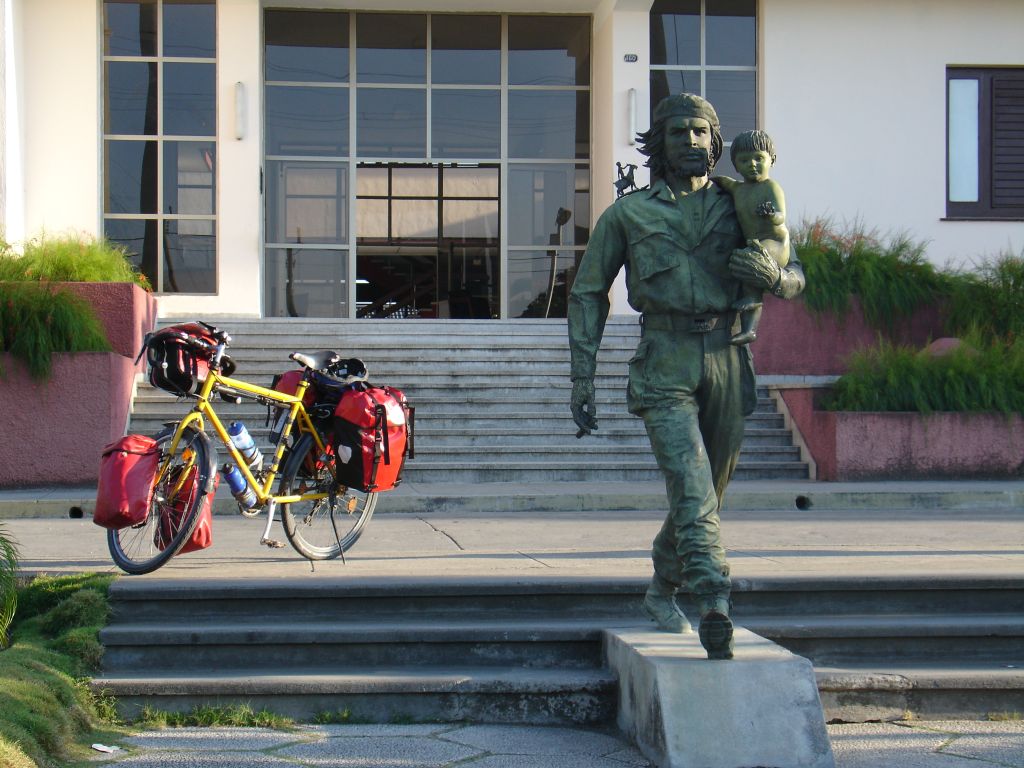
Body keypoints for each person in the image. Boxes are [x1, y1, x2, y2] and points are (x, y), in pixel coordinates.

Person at [567, 94, 805, 660]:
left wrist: (774, 275)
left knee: (706, 496)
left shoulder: (743, 202)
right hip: (665, 358)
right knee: (693, 483)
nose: (692, 141)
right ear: (660, 144)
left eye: (702, 132)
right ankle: (713, 599)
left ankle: (660, 589)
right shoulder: (628, 213)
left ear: (716, 143)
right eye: (679, 133)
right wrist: (583, 377)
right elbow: (587, 294)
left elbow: (795, 273)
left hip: (728, 356)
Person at [714, 130, 791, 346]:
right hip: (755, 245)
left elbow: (781, 217)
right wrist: (712, 181)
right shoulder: (738, 189)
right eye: (744, 160)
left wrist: (772, 215)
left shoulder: (771, 187)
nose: (752, 164)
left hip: (775, 243)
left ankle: (751, 325)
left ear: (771, 160)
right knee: (746, 267)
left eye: (759, 158)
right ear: (736, 165)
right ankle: (748, 329)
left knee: (752, 262)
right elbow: (724, 182)